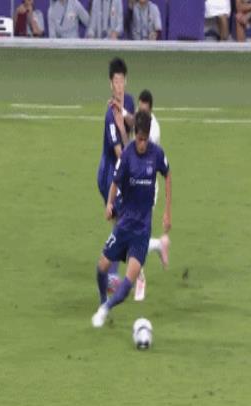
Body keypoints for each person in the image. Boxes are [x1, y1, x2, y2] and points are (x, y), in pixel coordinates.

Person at [91, 110, 172, 328]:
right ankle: (103, 300)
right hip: (124, 225)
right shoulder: (127, 155)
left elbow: (167, 174)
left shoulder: (156, 154)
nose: (142, 144)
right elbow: (115, 182)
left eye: (145, 139)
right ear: (135, 134)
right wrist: (109, 204)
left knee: (128, 283)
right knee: (101, 266)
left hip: (142, 232)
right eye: (140, 139)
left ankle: (104, 310)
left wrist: (167, 212)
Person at [97, 57, 135, 291]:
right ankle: (110, 273)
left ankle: (111, 270)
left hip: (120, 172)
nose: (119, 86)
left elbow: (135, 125)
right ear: (110, 84)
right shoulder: (110, 115)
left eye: (122, 81)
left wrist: (126, 116)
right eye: (115, 82)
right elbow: (120, 152)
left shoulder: (128, 102)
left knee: (122, 221)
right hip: (109, 174)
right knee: (122, 221)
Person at [133, 89, 169, 301]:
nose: (141, 114)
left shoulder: (153, 131)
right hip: (133, 186)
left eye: (144, 111)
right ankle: (158, 245)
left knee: (135, 235)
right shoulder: (138, 120)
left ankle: (140, 278)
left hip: (146, 188)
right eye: (140, 110)